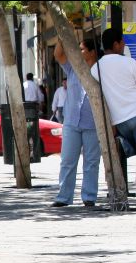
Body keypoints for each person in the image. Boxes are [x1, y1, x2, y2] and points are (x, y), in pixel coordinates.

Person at [51, 40, 101, 208]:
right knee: (67, 160)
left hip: (93, 123)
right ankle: (64, 197)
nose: (79, 52)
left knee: (91, 161)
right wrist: (61, 36)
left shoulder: (100, 70)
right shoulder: (73, 68)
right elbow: (58, 54)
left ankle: (89, 196)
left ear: (92, 52)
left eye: (82, 49)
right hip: (72, 121)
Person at [91, 27, 136, 169]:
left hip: (119, 123)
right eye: (122, 42)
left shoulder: (96, 68)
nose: (124, 44)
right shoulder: (130, 63)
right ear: (116, 44)